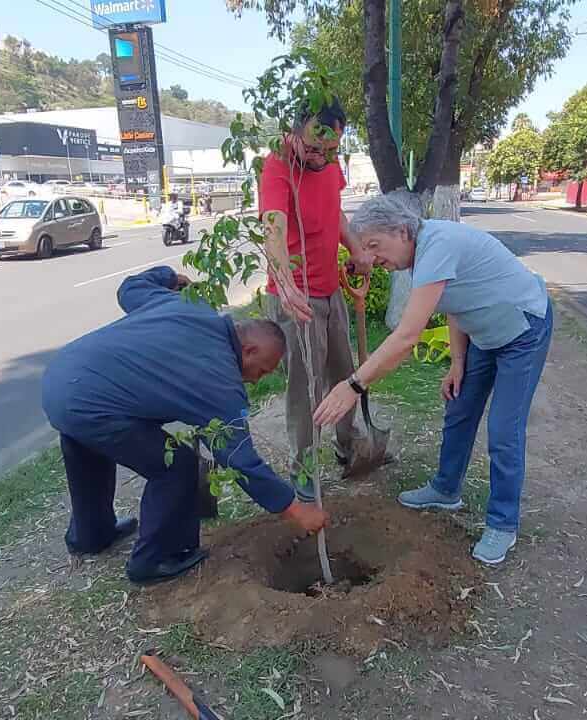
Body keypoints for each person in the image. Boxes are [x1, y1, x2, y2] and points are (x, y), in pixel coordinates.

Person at [42, 267, 329, 584]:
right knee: (177, 467)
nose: (256, 379)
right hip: (88, 401)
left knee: (87, 445)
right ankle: (153, 560)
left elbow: (130, 289)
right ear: (248, 349)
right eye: (262, 370)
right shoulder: (221, 381)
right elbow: (239, 460)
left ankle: (91, 536)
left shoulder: (191, 306)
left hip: (62, 379)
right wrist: (295, 510)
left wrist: (170, 277)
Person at [313, 192, 554, 565]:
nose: (372, 257)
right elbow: (455, 303)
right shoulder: (422, 257)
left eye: (375, 245)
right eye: (366, 248)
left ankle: (503, 524)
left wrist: (353, 384)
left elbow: (407, 337)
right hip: (485, 336)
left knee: (505, 430)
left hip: (523, 329)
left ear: (402, 230)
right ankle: (445, 489)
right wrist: (458, 362)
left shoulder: (437, 245)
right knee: (459, 408)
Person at [259, 98, 370, 496]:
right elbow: (273, 225)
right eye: (313, 147)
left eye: (331, 150)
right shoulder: (277, 166)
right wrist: (285, 283)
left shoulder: (329, 161)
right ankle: (303, 468)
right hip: (297, 298)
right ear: (295, 131)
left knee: (346, 375)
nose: (321, 157)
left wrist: (356, 247)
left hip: (331, 289)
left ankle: (349, 444)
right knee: (306, 388)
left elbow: (335, 210)